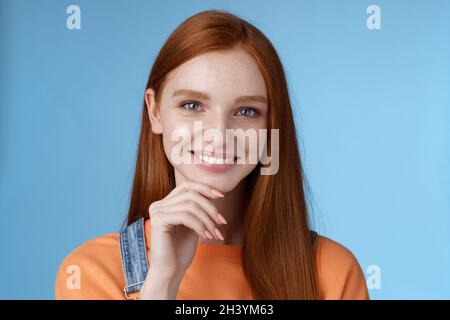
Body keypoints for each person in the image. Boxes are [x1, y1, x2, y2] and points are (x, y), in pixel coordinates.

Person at [55, 9, 369, 300]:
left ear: (272, 125)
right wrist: (163, 282)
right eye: (192, 106)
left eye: (247, 111)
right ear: (155, 112)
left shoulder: (331, 272)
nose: (219, 134)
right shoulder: (90, 272)